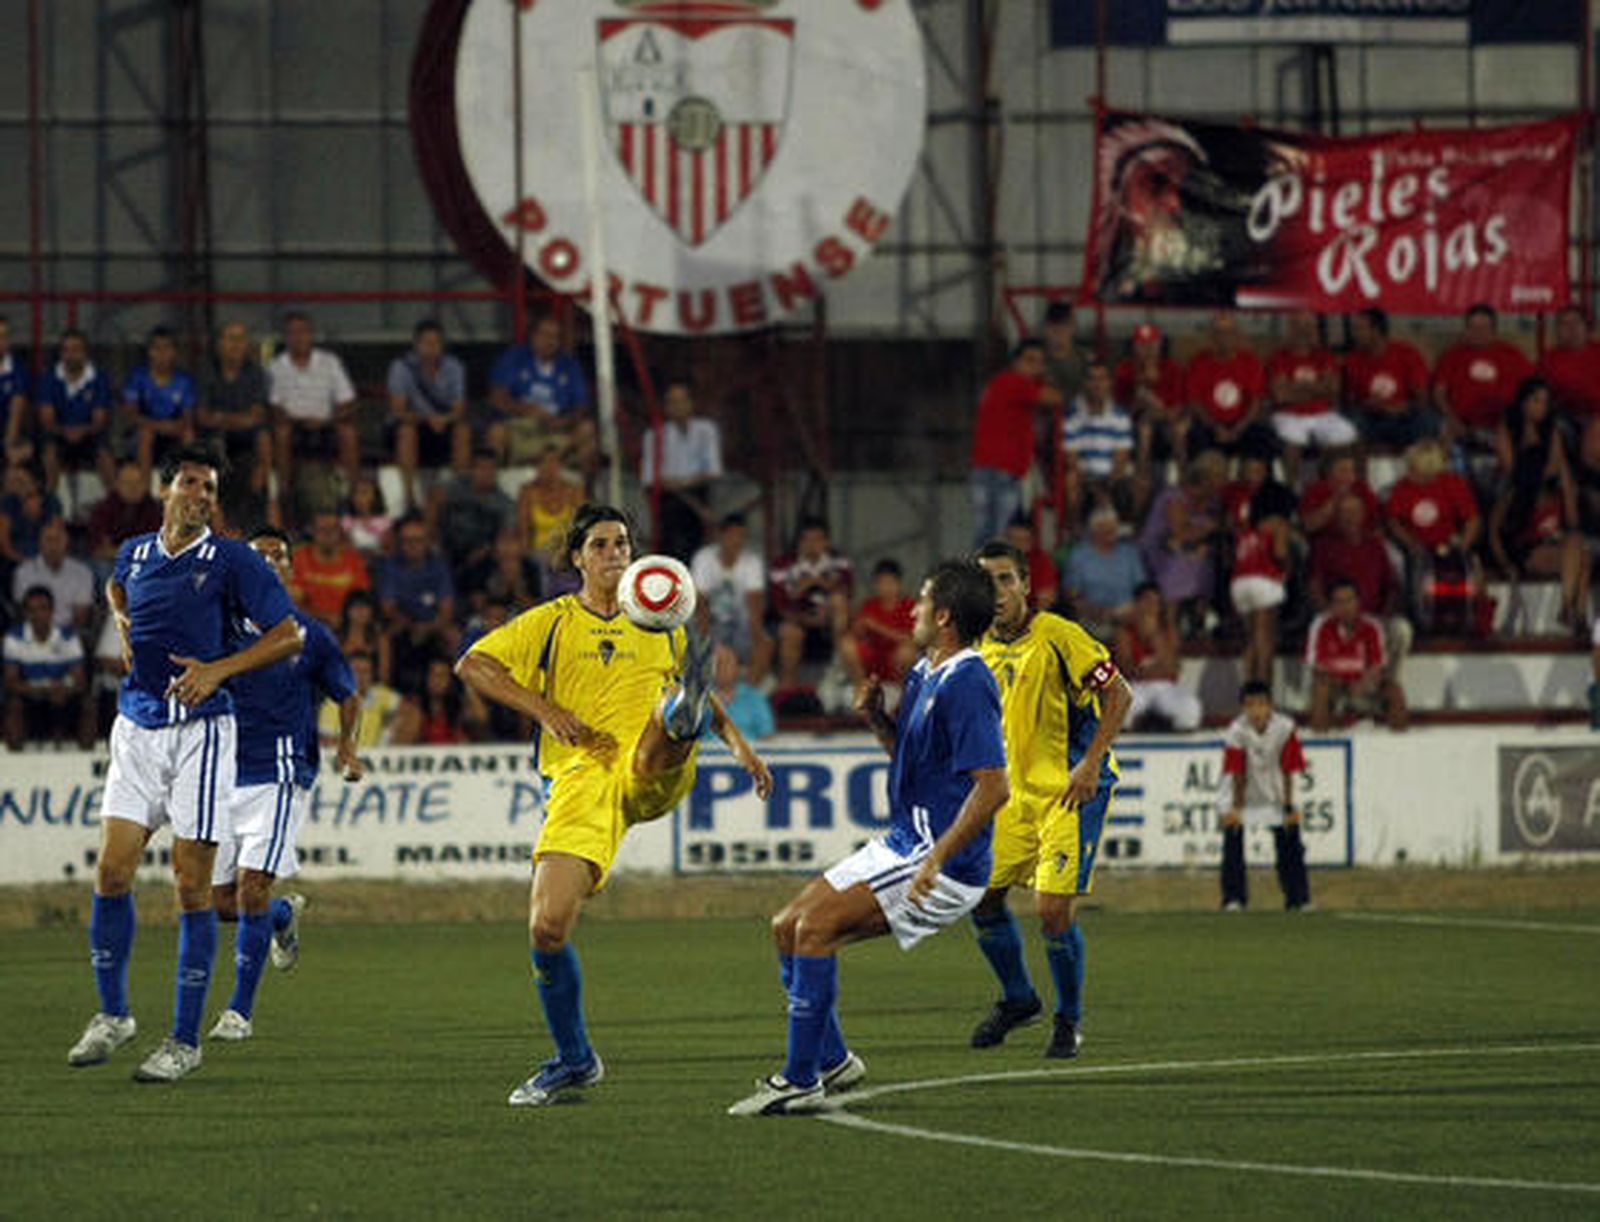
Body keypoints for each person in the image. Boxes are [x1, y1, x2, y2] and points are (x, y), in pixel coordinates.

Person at [458, 503, 772, 1106]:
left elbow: (705, 696)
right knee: (547, 927)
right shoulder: (550, 623)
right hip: (579, 783)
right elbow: (472, 664)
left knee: (666, 722)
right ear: (577, 557)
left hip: (647, 769)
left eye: (623, 544)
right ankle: (575, 1060)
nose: (615, 554)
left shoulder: (660, 620)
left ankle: (676, 721)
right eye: (600, 545)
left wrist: (741, 749)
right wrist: (546, 710)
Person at [727, 559, 1006, 1116]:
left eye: (923, 600)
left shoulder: (971, 681)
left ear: (944, 616)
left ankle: (799, 1080)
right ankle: (832, 1061)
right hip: (905, 841)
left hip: (944, 863)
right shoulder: (926, 671)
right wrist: (879, 720)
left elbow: (994, 787)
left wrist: (938, 859)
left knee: (815, 930)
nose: (913, 610)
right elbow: (913, 762)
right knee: (786, 926)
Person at [68, 444, 301, 1083]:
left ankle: (183, 1041)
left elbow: (288, 635)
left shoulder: (232, 559)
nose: (200, 495)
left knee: (190, 887)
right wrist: (122, 622)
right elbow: (117, 585)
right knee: (111, 871)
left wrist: (219, 669)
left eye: (210, 488)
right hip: (136, 729)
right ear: (165, 489)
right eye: (191, 483)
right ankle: (114, 1016)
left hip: (202, 733)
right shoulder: (135, 552)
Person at [961, 541, 1131, 1059]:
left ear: (1026, 585)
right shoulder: (974, 646)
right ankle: (1019, 999)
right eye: (986, 581)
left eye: (1006, 579)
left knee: (1051, 910)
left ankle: (1068, 1019)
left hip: (1069, 791)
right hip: (1010, 798)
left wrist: (1091, 763)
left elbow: (1119, 694)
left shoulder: (1060, 635)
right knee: (981, 899)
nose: (996, 591)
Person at [206, 525, 363, 1043]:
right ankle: (282, 915)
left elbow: (348, 695)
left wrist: (347, 747)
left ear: (292, 569)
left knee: (252, 887)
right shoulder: (219, 630)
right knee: (221, 904)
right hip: (223, 773)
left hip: (280, 771)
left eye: (279, 556)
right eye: (260, 556)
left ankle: (238, 1013)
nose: (271, 563)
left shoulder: (309, 634)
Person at [1487, 379, 1589, 632]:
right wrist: (1505, 564)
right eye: (1536, 401)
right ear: (1523, 403)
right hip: (1524, 546)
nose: (1542, 407)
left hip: (1549, 543)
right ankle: (1572, 611)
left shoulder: (1551, 433)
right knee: (1579, 554)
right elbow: (1494, 530)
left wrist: (1566, 495)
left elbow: (1557, 466)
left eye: (1545, 402)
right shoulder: (1513, 494)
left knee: (1581, 551)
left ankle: (1573, 611)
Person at [1219, 680, 1311, 912]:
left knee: (1290, 841)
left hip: (1275, 791)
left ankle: (1298, 898)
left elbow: (1289, 767)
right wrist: (1236, 807)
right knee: (1232, 839)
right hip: (1244, 793)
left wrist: (1288, 805)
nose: (1256, 711)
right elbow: (1237, 772)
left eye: (1261, 704)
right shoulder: (1236, 731)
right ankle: (1234, 898)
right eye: (1250, 705)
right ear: (1243, 708)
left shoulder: (1285, 728)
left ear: (1270, 706)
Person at [969, 340, 1063, 547]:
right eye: (1030, 361)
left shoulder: (1001, 382)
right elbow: (1054, 398)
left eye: (1040, 362)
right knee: (1000, 533)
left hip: (993, 468)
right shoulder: (1014, 381)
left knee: (988, 533)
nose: (1036, 367)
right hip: (1001, 470)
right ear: (1015, 362)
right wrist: (1047, 379)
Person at [1385, 438, 1482, 632]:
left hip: (1448, 545)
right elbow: (1393, 521)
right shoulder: (1403, 487)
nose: (1410, 473)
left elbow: (1472, 519)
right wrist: (1410, 543)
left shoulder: (1452, 483)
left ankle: (1470, 617)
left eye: (1415, 469)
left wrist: (1463, 545)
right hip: (1416, 546)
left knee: (1472, 570)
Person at [268, 312, 360, 506]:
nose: (298, 337)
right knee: (281, 432)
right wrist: (294, 420)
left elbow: (348, 401)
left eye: (303, 332)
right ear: (286, 337)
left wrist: (330, 419)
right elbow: (274, 407)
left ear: (311, 335)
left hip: (327, 423)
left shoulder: (330, 362)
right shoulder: (275, 367)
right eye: (292, 333)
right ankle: (285, 495)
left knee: (348, 433)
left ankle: (354, 494)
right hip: (293, 425)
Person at [487, 314, 596, 471]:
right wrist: (526, 409)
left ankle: (586, 486)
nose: (550, 341)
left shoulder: (569, 365)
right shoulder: (514, 358)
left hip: (556, 429)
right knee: (496, 432)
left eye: (555, 337)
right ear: (533, 336)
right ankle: (494, 484)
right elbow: (497, 397)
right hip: (522, 427)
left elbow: (581, 406)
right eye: (545, 334)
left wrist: (564, 421)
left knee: (587, 429)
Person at [1137, 449, 1227, 633]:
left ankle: (1200, 622)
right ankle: (1171, 626)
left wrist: (1205, 539)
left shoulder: (1213, 502)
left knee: (1207, 562)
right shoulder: (1175, 497)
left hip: (1190, 550)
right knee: (1183, 565)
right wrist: (1208, 530)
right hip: (1159, 553)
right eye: (1219, 478)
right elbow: (1180, 534)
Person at [196, 321, 274, 528]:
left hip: (247, 437)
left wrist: (222, 417)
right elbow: (203, 416)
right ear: (219, 344)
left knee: (263, 438)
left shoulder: (256, 373)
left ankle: (263, 511)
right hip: (215, 437)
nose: (236, 345)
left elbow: (257, 415)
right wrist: (237, 419)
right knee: (214, 446)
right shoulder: (207, 372)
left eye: (240, 339)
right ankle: (218, 519)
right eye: (231, 339)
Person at [389, 318, 471, 511]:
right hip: (413, 424)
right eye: (427, 343)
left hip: (443, 424)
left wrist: (445, 419)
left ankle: (462, 497)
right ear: (416, 344)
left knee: (463, 431)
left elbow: (459, 409)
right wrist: (427, 419)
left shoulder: (454, 367)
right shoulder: (401, 367)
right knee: (406, 432)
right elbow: (398, 410)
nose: (432, 348)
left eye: (436, 343)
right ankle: (409, 499)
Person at [1267, 309, 1357, 484]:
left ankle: (1327, 487)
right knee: (1292, 438)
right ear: (1290, 329)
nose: (1304, 332)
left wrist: (1296, 388)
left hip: (1322, 413)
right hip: (1289, 414)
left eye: (1308, 327)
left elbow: (1333, 390)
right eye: (1299, 327)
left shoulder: (1325, 356)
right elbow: (1281, 396)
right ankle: (1292, 489)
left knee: (1346, 434)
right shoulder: (1279, 358)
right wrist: (1317, 388)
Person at [1306, 579, 1408, 732]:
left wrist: (1364, 683)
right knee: (1321, 688)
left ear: (1358, 602)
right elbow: (1317, 667)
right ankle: (1320, 739)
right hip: (1335, 687)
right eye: (1339, 602)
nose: (1345, 607)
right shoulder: (1321, 625)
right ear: (1331, 606)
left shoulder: (1372, 626)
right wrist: (1342, 682)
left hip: (1364, 687)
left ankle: (1400, 740)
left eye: (1349, 601)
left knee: (1393, 690)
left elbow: (1377, 667)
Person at [1432, 303, 1534, 452]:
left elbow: (1532, 391)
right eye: (1473, 327)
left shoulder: (1513, 355)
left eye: (1483, 328)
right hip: (1461, 423)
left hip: (1503, 423)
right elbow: (1439, 393)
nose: (1477, 333)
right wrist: (1451, 417)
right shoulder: (1451, 356)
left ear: (1494, 330)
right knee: (1440, 428)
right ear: (1466, 329)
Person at [640, 381, 723, 562]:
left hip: (699, 493)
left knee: (697, 536)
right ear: (666, 407)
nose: (678, 406)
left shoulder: (706, 430)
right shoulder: (654, 435)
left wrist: (681, 483)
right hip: (669, 498)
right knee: (672, 527)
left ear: (691, 403)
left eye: (682, 400)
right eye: (673, 402)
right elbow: (649, 479)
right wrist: (680, 485)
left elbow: (714, 472)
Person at [4, 585, 95, 751]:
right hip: (30, 695)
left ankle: (86, 756)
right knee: (13, 705)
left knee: (87, 704)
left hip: (63, 694)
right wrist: (41, 690)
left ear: (52, 611)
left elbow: (80, 681)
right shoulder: (14, 638)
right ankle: (14, 757)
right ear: (25, 613)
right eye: (32, 610)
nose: (38, 615)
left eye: (43, 608)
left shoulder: (68, 637)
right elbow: (11, 682)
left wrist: (64, 690)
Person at [377, 513, 458, 694]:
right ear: (400, 543)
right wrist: (412, 625)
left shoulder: (439, 567)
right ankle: (384, 692)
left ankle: (460, 694)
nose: (413, 545)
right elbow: (388, 607)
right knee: (384, 638)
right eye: (407, 540)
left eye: (418, 540)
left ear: (427, 542)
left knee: (455, 637)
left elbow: (447, 609)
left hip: (434, 624)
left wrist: (428, 627)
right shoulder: (391, 567)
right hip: (403, 624)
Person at [769, 517, 853, 691]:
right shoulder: (783, 564)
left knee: (839, 602)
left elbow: (847, 593)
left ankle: (838, 666)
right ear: (799, 542)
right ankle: (787, 688)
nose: (812, 545)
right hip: (798, 620)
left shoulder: (840, 561)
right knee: (789, 632)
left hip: (829, 622)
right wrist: (804, 614)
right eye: (807, 540)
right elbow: (780, 606)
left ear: (826, 542)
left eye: (817, 539)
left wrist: (818, 581)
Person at [690, 512, 773, 685]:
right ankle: (702, 688)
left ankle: (747, 691)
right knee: (693, 641)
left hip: (741, 624)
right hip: (710, 622)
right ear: (720, 536)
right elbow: (700, 602)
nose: (736, 541)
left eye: (741, 536)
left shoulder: (752, 562)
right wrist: (706, 637)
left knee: (765, 645)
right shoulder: (703, 558)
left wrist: (756, 634)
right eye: (732, 535)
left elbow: (755, 604)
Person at [1185, 311, 1274, 458]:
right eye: (1219, 333)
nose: (1224, 337)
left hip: (1243, 424)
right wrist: (1215, 427)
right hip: (1209, 425)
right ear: (1211, 336)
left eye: (1229, 332)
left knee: (1261, 442)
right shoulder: (1198, 363)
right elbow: (1194, 402)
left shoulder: (1250, 362)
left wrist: (1239, 428)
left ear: (1237, 335)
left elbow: (1255, 401)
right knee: (1199, 444)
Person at [36, 328, 114, 494]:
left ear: (85, 353)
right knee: (49, 451)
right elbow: (47, 420)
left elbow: (99, 420)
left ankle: (115, 499)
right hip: (59, 434)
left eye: (76, 349)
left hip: (90, 435)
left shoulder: (99, 378)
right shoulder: (49, 378)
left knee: (104, 452)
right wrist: (66, 431)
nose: (71, 355)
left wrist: (81, 431)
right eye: (66, 350)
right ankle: (50, 501)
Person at [1116, 581, 1202, 731]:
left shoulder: (1168, 630)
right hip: (1136, 686)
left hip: (1165, 686)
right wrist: (1157, 670)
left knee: (1191, 711)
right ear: (1137, 604)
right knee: (1121, 713)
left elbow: (1174, 669)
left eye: (1156, 602)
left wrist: (1154, 635)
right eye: (1147, 601)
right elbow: (1125, 669)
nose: (1152, 607)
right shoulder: (1124, 631)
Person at [1343, 307, 1433, 450]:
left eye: (1359, 329)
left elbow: (1422, 397)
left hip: (1403, 416)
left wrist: (1402, 407)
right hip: (1371, 417)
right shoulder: (1352, 360)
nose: (1354, 334)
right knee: (1352, 421)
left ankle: (1417, 459)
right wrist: (1369, 405)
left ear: (1376, 331)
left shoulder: (1406, 353)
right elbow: (1351, 401)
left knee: (1426, 420)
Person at [1061, 359, 1138, 523]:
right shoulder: (1072, 416)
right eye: (1092, 379)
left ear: (1109, 383)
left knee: (1138, 480)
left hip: (1112, 478)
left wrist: (1107, 487)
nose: (1097, 384)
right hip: (1085, 477)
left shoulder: (1120, 416)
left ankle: (1129, 529)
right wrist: (1094, 488)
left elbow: (1121, 459)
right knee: (1071, 479)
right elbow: (1072, 460)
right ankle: (1074, 530)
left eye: (1102, 379)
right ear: (1085, 383)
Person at [433, 447, 516, 593]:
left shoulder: (504, 503)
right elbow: (434, 499)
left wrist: (487, 550)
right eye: (482, 468)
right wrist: (433, 536)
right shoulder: (456, 488)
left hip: (482, 557)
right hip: (448, 549)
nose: (486, 474)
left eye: (491, 469)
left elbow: (506, 535)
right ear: (472, 470)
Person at [120, 327, 197, 481]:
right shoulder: (137, 377)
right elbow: (130, 415)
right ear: (149, 352)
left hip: (172, 433)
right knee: (146, 435)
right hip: (142, 435)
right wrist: (158, 426)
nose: (162, 354)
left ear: (174, 352)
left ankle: (190, 490)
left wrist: (174, 426)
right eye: (157, 348)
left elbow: (188, 418)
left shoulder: (184, 380)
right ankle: (144, 490)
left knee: (189, 435)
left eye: (167, 348)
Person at [1063, 504, 1146, 640]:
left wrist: (1138, 608)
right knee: (1121, 635)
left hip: (1129, 611)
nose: (1110, 532)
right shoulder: (1079, 556)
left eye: (1113, 527)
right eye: (1104, 528)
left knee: (1151, 627)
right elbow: (1072, 595)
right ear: (1094, 531)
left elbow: (1143, 588)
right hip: (1094, 615)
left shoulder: (1129, 552)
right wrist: (1094, 611)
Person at [1117, 322, 1188, 468]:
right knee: (1145, 429)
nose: (1147, 350)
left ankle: (1184, 475)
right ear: (1134, 346)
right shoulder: (1125, 369)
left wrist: (1156, 407)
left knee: (1178, 431)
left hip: (1167, 421)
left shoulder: (1172, 368)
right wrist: (1141, 387)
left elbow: (1177, 409)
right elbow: (1121, 413)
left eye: (1152, 345)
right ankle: (1142, 476)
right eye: (1142, 345)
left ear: (1159, 345)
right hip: (1136, 422)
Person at [839, 559, 917, 686]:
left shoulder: (909, 606)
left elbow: (912, 639)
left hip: (895, 659)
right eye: (881, 583)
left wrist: (877, 627)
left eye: (890, 583)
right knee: (846, 643)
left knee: (907, 651)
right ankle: (862, 686)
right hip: (873, 657)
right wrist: (859, 628)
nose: (886, 588)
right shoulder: (869, 605)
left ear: (899, 584)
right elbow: (855, 633)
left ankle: (900, 690)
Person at [12, 516, 96, 633]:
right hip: (33, 635)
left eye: (58, 539)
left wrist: (64, 638)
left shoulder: (83, 573)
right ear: (40, 543)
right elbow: (23, 615)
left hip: (68, 634)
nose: (53, 545)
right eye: (48, 540)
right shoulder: (23, 573)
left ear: (67, 542)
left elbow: (81, 616)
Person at [291, 511, 371, 627]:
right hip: (309, 626)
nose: (328, 535)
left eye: (333, 529)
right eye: (322, 530)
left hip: (347, 626)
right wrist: (325, 617)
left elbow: (361, 602)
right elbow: (293, 604)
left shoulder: (353, 560)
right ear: (312, 531)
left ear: (340, 532)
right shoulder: (299, 559)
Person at [87, 459, 163, 569]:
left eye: (138, 482)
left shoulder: (153, 509)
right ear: (117, 484)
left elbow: (157, 547)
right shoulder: (103, 510)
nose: (133, 488)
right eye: (127, 483)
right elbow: (100, 549)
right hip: (113, 563)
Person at [319, 650, 401, 749]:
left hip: (379, 754)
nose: (361, 677)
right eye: (356, 671)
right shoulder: (333, 702)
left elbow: (408, 710)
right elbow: (327, 741)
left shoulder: (381, 694)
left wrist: (387, 732)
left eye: (365, 672)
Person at [1298, 448, 1379, 545]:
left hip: (1363, 543)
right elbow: (1308, 525)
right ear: (1328, 472)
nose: (1350, 476)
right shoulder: (1315, 491)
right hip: (1329, 545)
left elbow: (1376, 519)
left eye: (1352, 470)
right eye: (1343, 470)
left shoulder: (1361, 488)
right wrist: (1336, 500)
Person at [1540, 305, 1600, 426]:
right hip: (1566, 417)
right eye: (1565, 324)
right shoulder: (1548, 359)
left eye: (1576, 323)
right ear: (1557, 331)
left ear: (1586, 327)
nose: (1571, 329)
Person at [709, 642, 774, 742]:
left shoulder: (755, 698)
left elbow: (768, 736)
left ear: (737, 668)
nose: (722, 667)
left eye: (727, 662)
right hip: (707, 751)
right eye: (718, 663)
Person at [0, 315, 34, 466]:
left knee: (21, 453)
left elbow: (15, 416)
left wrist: (7, 447)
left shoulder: (18, 370)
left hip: (8, 435)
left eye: (4, 337)